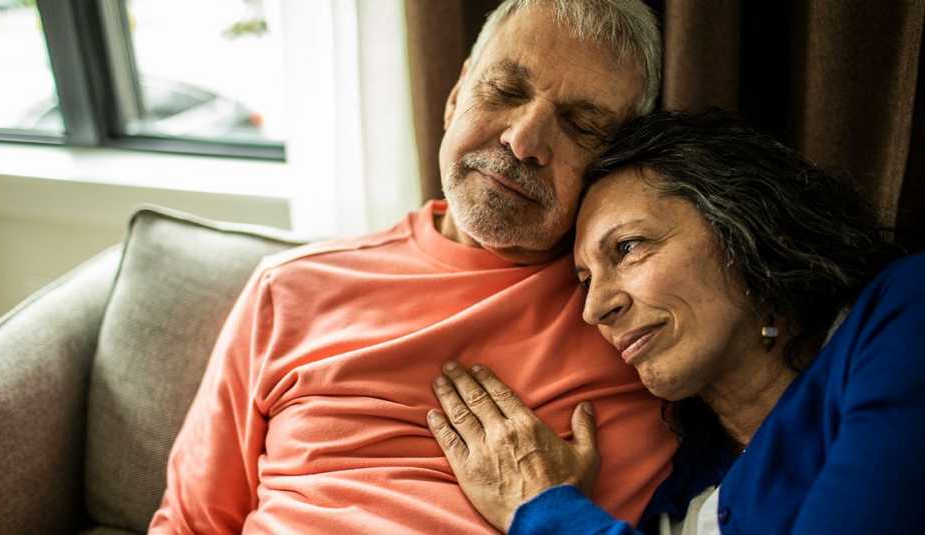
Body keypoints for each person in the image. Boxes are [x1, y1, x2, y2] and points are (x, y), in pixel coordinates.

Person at [149, 2, 679, 533]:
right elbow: (189, 524)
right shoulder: (288, 289)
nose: (523, 140)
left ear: (618, 164)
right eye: (504, 91)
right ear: (455, 98)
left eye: (581, 125)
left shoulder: (642, 323)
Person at [426, 110, 925, 534]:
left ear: (744, 224)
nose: (594, 308)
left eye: (628, 247)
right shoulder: (676, 488)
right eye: (584, 280)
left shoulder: (903, 311)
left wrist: (542, 508)